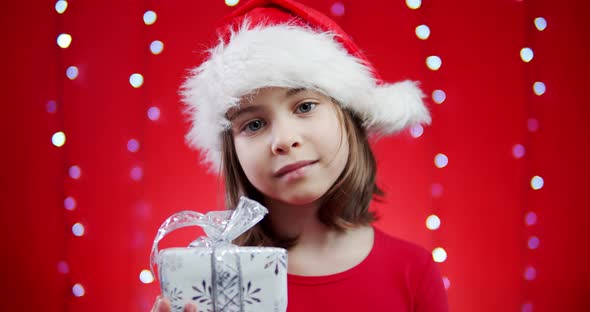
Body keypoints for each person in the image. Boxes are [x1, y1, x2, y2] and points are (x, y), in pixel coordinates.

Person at [152, 0, 449, 311]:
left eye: (305, 106)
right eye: (254, 124)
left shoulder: (413, 270)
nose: (284, 140)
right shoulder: (209, 279)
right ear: (232, 151)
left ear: (348, 117)